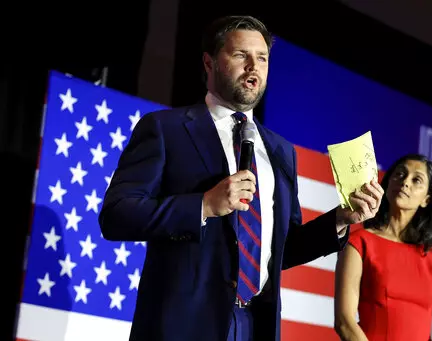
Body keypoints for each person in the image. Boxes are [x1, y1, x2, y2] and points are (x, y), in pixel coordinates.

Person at [98, 15, 384, 341]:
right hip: (181, 326)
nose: (253, 67)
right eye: (240, 55)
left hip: (252, 325)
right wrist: (204, 205)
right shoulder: (166, 129)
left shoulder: (280, 151)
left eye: (262, 58)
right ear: (209, 62)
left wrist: (340, 219)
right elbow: (117, 215)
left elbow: (282, 249)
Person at [334, 154, 432, 341]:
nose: (405, 182)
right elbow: (344, 320)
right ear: (387, 184)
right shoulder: (359, 243)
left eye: (417, 180)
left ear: (427, 199)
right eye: (400, 174)